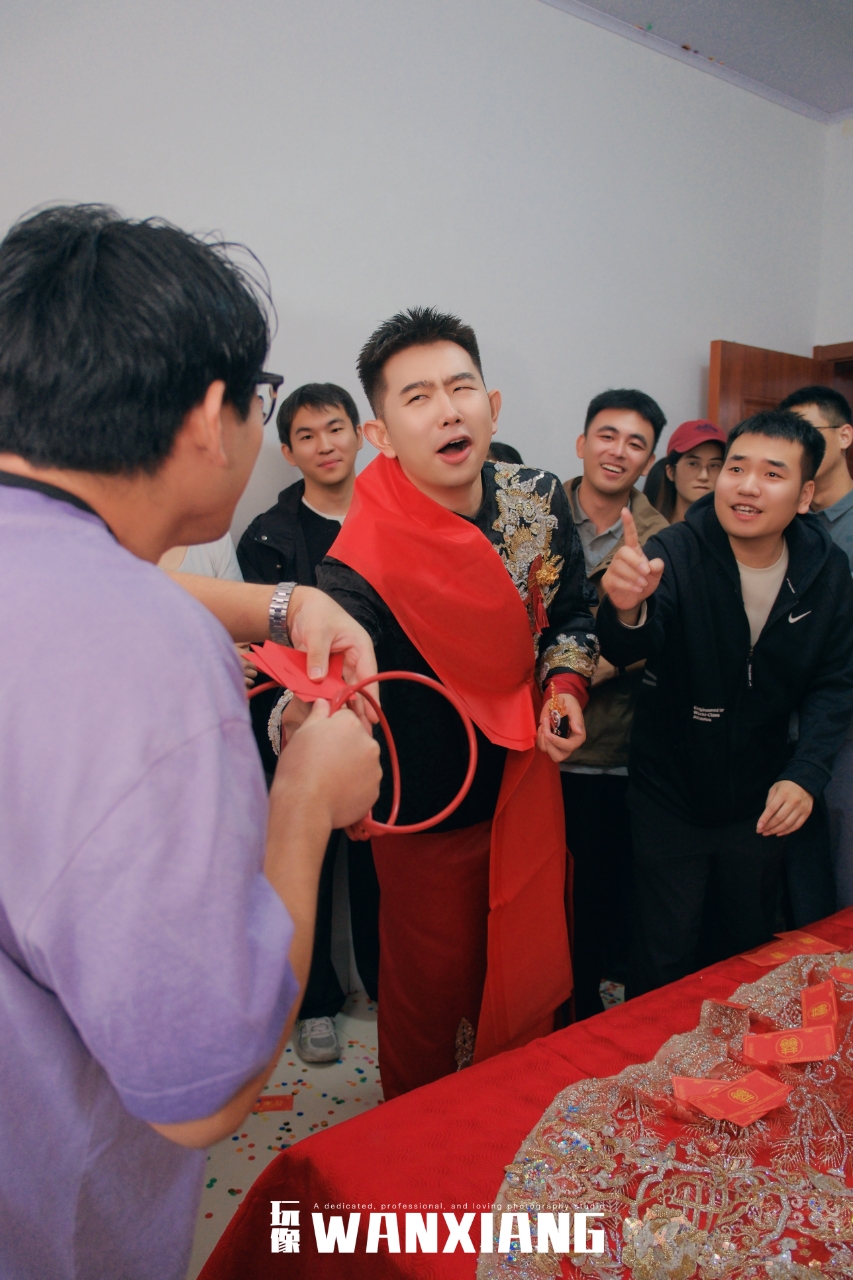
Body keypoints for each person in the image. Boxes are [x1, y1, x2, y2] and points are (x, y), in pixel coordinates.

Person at [0, 204, 381, 1280]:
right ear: (216, 415)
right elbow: (201, 1093)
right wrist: (306, 798)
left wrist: (282, 604)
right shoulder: (145, 646)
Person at [315, 306, 598, 1098]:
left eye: (460, 387)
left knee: (529, 961)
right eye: (417, 397)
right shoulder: (356, 559)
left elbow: (570, 617)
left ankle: (515, 1118)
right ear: (379, 434)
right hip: (425, 812)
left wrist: (565, 687)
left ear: (491, 406)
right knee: (428, 998)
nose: (447, 410)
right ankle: (421, 1137)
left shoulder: (536, 499)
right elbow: (337, 677)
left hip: (525, 780)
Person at [598, 409, 853, 996]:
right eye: (736, 468)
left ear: (805, 495)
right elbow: (631, 642)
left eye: (772, 473)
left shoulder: (826, 568)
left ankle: (730, 1056)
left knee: (742, 952)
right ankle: (653, 1054)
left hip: (761, 797)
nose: (746, 485)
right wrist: (626, 607)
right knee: (663, 953)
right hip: (670, 792)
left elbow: (835, 680)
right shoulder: (677, 549)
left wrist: (806, 773)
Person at [237, 382, 379, 1065]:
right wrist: (297, 711)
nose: (325, 444)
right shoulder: (266, 536)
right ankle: (313, 1005)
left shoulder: (393, 516)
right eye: (306, 434)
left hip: (380, 714)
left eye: (335, 428)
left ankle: (384, 985)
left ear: (359, 433)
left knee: (383, 860)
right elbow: (259, 651)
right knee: (307, 862)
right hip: (296, 721)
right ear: (287, 450)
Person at [561, 389, 669, 1018]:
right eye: (607, 435)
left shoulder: (666, 540)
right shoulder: (533, 516)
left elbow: (662, 639)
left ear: (649, 461)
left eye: (635, 443)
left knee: (593, 897)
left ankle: (580, 1015)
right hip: (523, 739)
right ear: (582, 443)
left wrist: (590, 670)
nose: (618, 451)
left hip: (607, 750)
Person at [780, 386, 853, 911]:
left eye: (810, 431)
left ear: (845, 435)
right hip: (779, 727)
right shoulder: (781, 525)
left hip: (845, 731)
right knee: (796, 888)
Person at [644, 419, 727, 523]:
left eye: (714, 465)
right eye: (693, 464)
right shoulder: (648, 527)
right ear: (671, 472)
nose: (704, 476)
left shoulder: (731, 529)